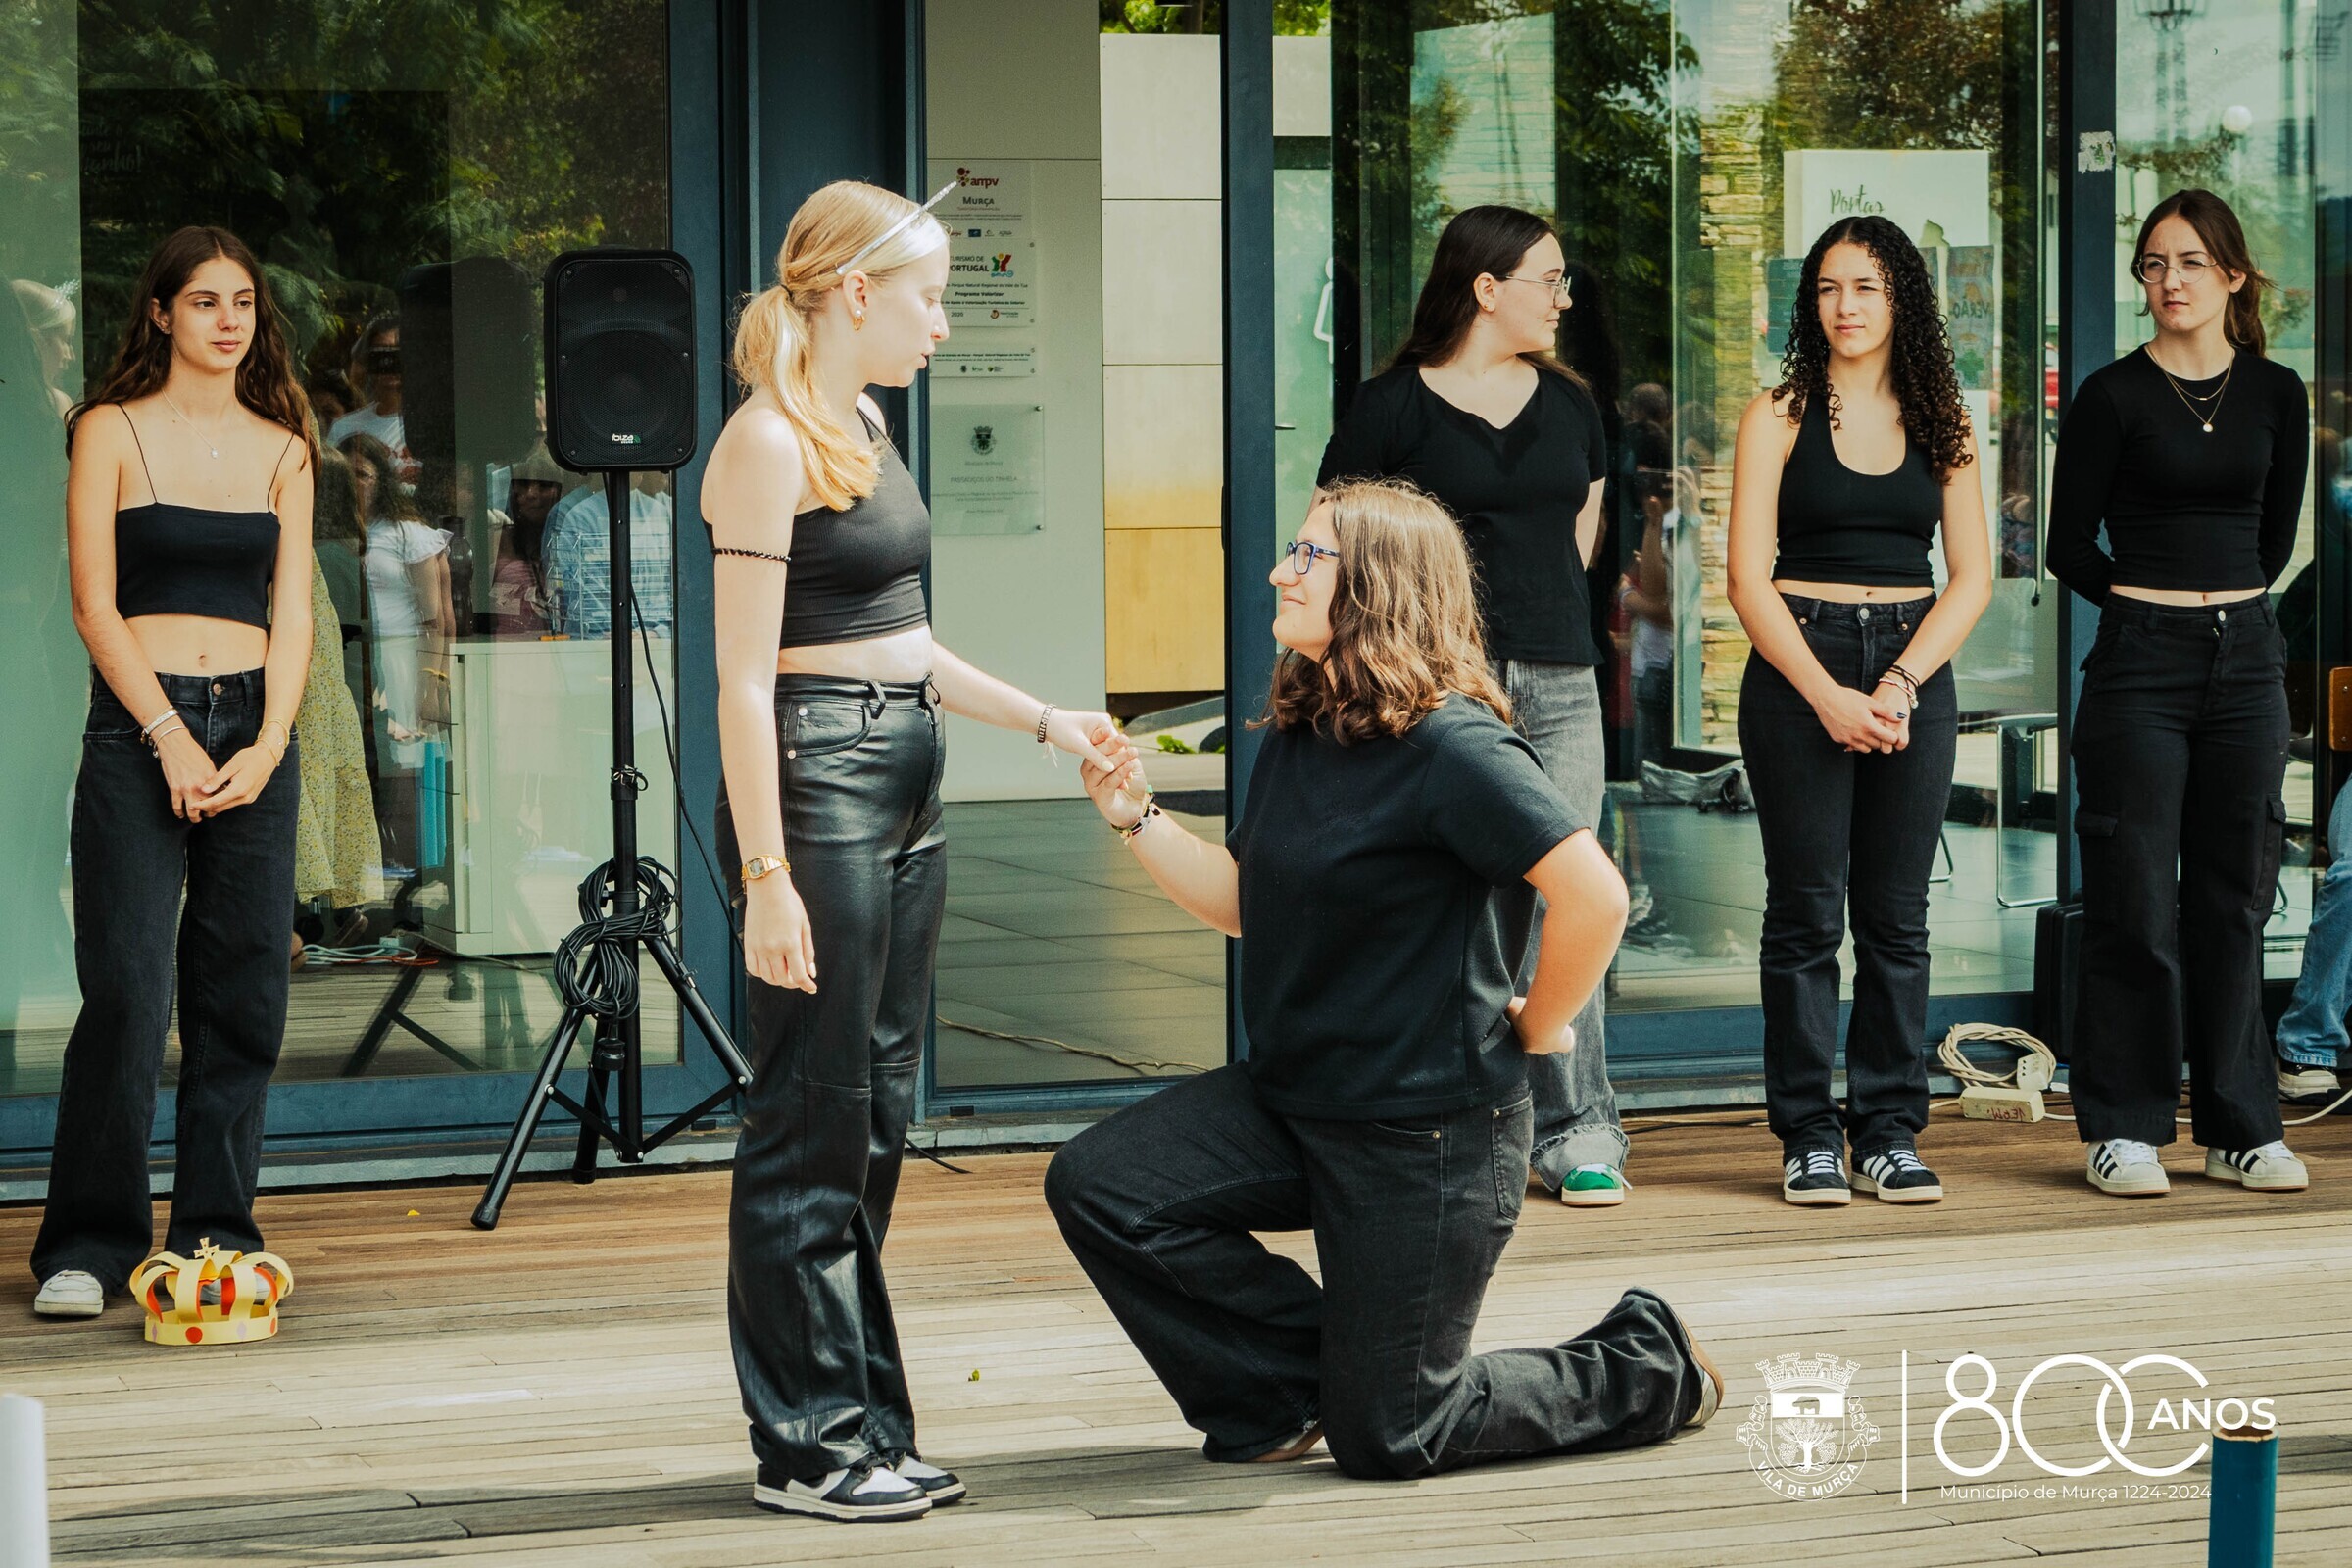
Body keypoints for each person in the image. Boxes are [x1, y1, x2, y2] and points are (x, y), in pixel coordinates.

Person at [1044, 479, 1721, 1481]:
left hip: (1427, 1138)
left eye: (1308, 556)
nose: (1280, 571)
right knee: (1105, 1188)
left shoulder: (1456, 745)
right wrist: (1135, 816)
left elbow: (1596, 896)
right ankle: (1282, 1391)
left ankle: (1647, 1361)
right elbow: (1243, 900)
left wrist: (1539, 1027)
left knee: (1397, 1434)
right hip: (1295, 1104)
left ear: (1381, 584)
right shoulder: (1303, 727)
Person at [700, 179, 1120, 1522]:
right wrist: (766, 878)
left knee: (878, 1116)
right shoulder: (763, 443)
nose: (943, 323)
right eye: (930, 297)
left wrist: (1046, 719)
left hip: (904, 775)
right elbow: (742, 683)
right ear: (855, 293)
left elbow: (908, 644)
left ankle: (865, 1420)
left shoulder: (867, 428)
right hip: (817, 780)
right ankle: (807, 1446)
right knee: (809, 1117)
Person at [1314, 204, 1629, 1208]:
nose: (1564, 297)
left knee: (1571, 892)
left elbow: (1583, 536)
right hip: (1440, 685)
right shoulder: (1390, 408)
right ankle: (1460, 1115)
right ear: (1487, 288)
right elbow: (1332, 539)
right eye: (1550, 278)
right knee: (1460, 903)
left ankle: (1577, 1127)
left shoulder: (1572, 405)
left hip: (1561, 680)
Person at [30, 225, 315, 1319]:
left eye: (242, 301)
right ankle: (89, 1245)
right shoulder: (107, 428)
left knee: (243, 993)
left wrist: (267, 744)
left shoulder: (286, 445)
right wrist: (169, 734)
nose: (228, 320)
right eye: (203, 301)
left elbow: (294, 616)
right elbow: (93, 604)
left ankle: (214, 1235)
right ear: (160, 313)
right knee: (128, 991)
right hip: (138, 727)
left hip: (252, 726)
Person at [2048, 188, 2312, 1197]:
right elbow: (2070, 544)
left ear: (2233, 276)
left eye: (2192, 261)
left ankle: (2240, 1127)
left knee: (2234, 895)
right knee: (2133, 897)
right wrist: (2149, 606)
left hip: (2246, 660)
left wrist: (2221, 607)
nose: (2170, 280)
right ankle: (2125, 1127)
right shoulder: (2113, 395)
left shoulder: (2277, 392)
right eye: (2154, 263)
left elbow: (2273, 540)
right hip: (2141, 665)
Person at [1725, 216, 1991, 1207]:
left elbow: (1972, 578)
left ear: (1902, 299)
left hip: (1911, 667)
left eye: (1868, 286)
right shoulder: (1776, 414)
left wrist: (1899, 683)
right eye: (1829, 287)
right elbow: (1745, 579)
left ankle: (1887, 1129)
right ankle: (1807, 1135)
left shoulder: (1943, 418)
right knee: (1805, 914)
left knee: (1896, 916)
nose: (1846, 305)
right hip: (1801, 659)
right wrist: (1827, 694)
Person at [346, 433, 450, 773]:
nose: (354, 484)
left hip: (402, 661)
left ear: (382, 481)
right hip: (356, 662)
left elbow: (435, 620)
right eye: (346, 475)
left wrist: (431, 687)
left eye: (362, 474)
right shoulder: (334, 532)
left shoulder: (408, 533)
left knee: (407, 767)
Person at [544, 469, 674, 639]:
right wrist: (611, 638)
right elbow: (580, 595)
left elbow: (675, 591)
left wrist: (657, 633)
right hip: (596, 644)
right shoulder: (581, 516)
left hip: (659, 644)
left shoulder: (663, 513)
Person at [328, 314, 415, 484]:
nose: (389, 362)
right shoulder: (344, 429)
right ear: (368, 360)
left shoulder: (433, 425)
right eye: (381, 354)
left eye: (398, 353)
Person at [487, 443, 563, 636]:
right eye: (524, 485)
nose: (532, 494)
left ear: (558, 490)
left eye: (543, 486)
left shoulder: (566, 541)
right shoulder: (499, 537)